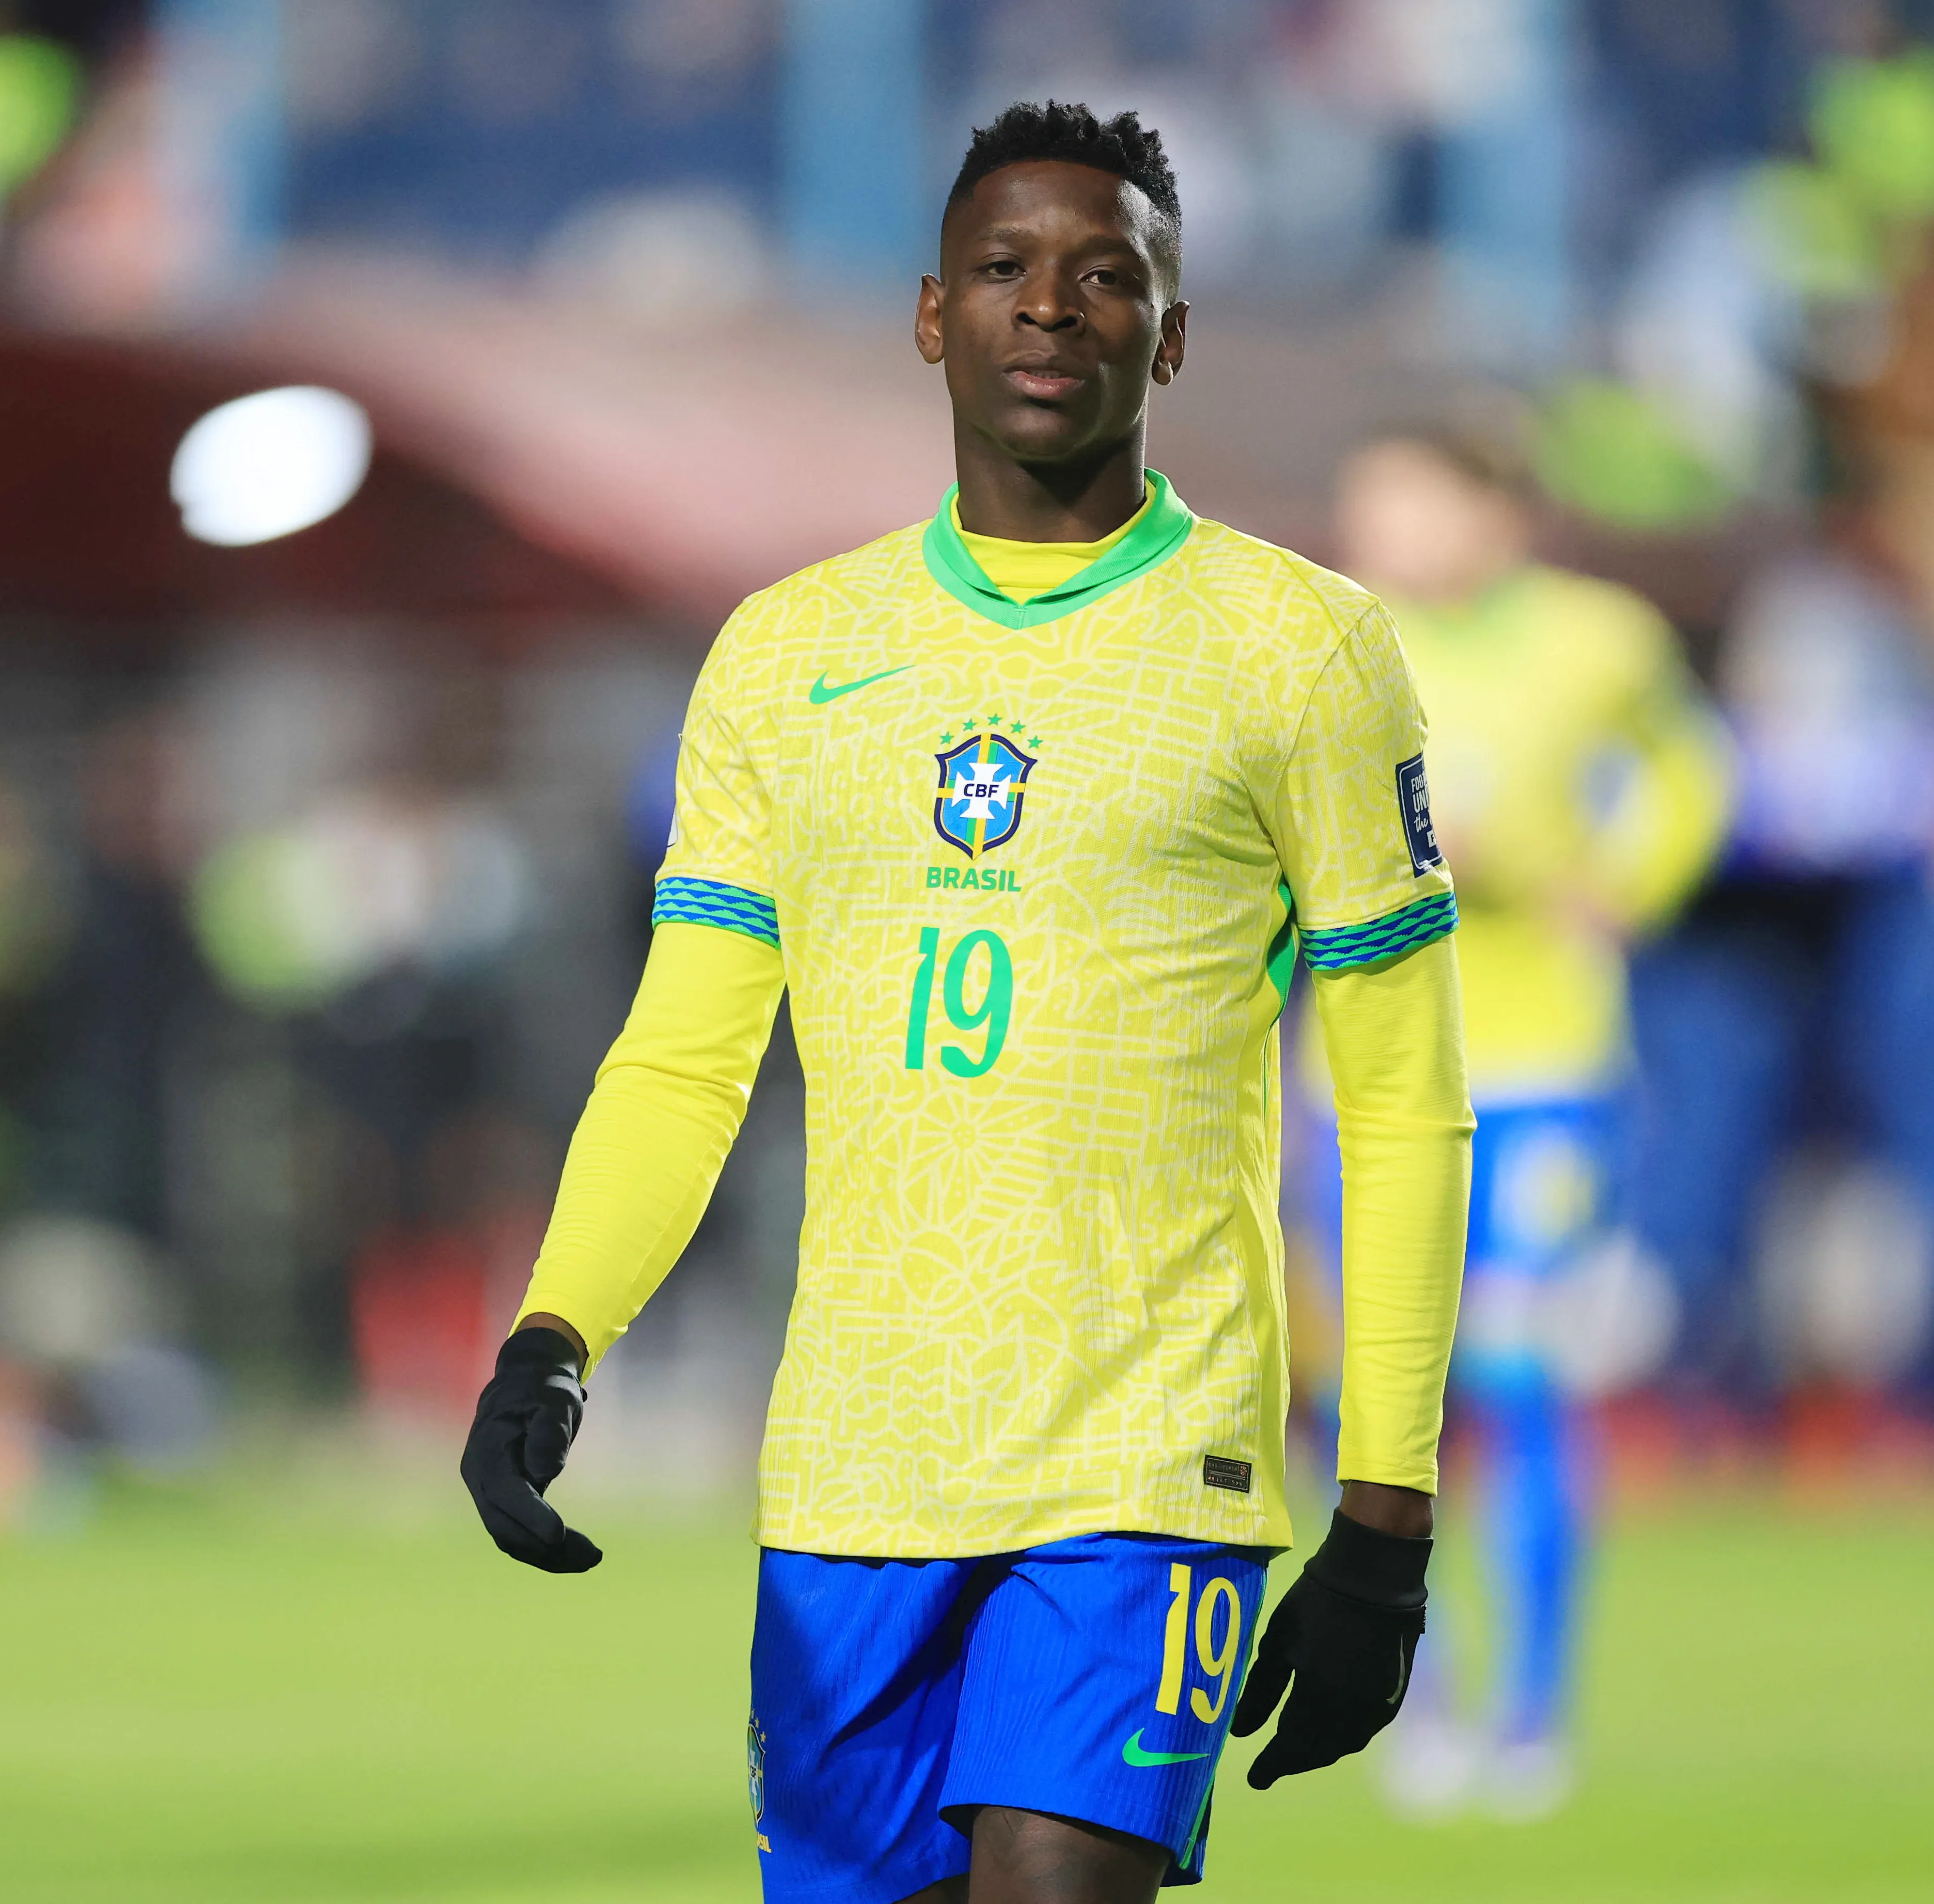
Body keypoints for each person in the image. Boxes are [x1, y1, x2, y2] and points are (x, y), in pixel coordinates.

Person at [463, 103, 1472, 1904]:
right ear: (930, 315)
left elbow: (1402, 1100)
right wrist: (556, 1329)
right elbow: (688, 1056)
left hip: (1144, 1457)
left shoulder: (1296, 646)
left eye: (1105, 278)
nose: (1048, 311)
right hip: (854, 1458)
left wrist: (1384, 1515)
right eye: (1003, 271)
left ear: (1168, 336)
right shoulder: (784, 657)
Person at [1329, 422, 1733, 1817]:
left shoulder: (1596, 640)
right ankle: (1412, 1700)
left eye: (1406, 500)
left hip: (1543, 1063)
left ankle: (1533, 1714)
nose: (1377, 529)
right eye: (1366, 504)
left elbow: (1692, 769)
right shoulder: (1328, 639)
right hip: (1368, 1079)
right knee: (1383, 1406)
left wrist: (1620, 879)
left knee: (1515, 1375)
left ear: (1494, 511)